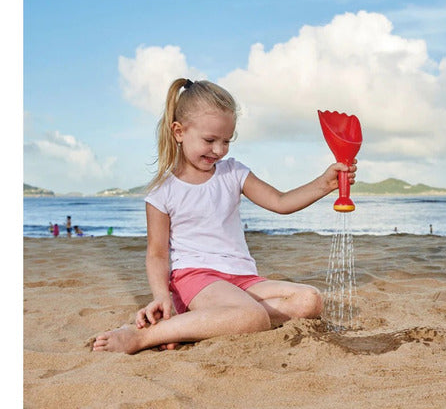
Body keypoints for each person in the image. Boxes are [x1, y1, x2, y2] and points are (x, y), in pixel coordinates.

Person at [93, 78, 357, 354]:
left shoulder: (233, 172)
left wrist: (324, 184)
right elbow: (157, 254)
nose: (218, 150)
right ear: (179, 131)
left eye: (226, 141)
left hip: (243, 278)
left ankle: (198, 325)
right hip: (196, 279)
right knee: (251, 316)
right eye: (209, 140)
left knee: (309, 301)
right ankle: (143, 337)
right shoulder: (163, 191)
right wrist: (161, 296)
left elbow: (280, 202)